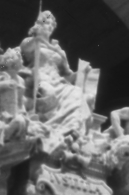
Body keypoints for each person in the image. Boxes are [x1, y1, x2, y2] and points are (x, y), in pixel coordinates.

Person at [15, 10, 93, 155]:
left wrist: (82, 72)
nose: (50, 26)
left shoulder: (59, 51)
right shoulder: (30, 41)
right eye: (47, 23)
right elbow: (26, 49)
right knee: (47, 91)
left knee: (76, 92)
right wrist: (37, 37)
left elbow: (68, 75)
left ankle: (71, 131)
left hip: (58, 81)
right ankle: (51, 129)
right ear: (39, 24)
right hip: (38, 77)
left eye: (52, 24)